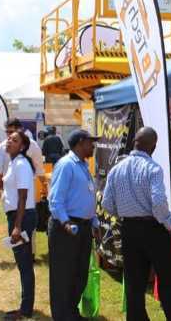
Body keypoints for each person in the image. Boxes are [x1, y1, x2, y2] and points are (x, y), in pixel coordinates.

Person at [103, 127, 171, 321]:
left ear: (134, 143)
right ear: (154, 147)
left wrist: (125, 213)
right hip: (153, 228)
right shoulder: (153, 169)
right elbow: (158, 203)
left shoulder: (116, 169)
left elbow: (107, 203)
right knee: (169, 282)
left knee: (134, 283)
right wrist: (169, 222)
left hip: (129, 229)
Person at [47, 129, 101, 321]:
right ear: (79, 143)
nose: (93, 146)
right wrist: (66, 222)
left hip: (83, 227)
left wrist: (93, 221)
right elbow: (55, 200)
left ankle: (71, 313)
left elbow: (86, 197)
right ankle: (62, 316)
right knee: (63, 275)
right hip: (66, 228)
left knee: (80, 274)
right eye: (90, 142)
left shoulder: (83, 166)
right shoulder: (66, 165)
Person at [0, 118, 47, 259]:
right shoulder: (2, 146)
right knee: (17, 242)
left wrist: (44, 186)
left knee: (27, 235)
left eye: (13, 133)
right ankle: (24, 256)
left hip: (26, 193)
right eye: (8, 133)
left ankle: (30, 254)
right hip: (10, 196)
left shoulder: (33, 147)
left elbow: (39, 169)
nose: (9, 137)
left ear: (20, 130)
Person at [0, 130, 37, 320]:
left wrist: (17, 226)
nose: (9, 141)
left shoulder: (21, 164)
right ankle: (26, 306)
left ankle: (25, 309)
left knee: (24, 265)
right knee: (23, 264)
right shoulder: (14, 163)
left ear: (22, 146)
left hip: (21, 216)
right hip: (17, 215)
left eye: (14, 140)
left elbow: (23, 196)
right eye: (9, 139)